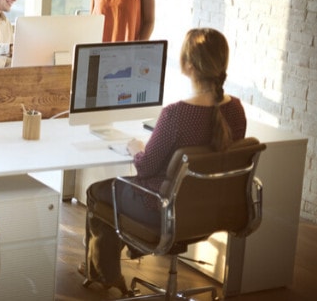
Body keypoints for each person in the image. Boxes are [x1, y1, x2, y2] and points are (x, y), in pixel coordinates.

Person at [82, 28, 247, 295]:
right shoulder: (236, 109)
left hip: (163, 209)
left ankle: (106, 274)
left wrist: (138, 148)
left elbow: (146, 166)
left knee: (97, 193)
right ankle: (121, 257)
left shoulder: (176, 114)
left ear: (187, 65)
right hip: (211, 211)